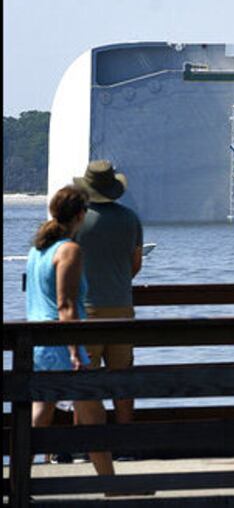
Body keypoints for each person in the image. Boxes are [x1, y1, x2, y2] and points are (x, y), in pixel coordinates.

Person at [27, 186, 115, 477]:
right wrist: (76, 351)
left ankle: (18, 481)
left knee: (43, 413)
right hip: (62, 345)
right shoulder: (69, 250)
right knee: (93, 417)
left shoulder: (37, 250)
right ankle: (114, 487)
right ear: (80, 215)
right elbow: (66, 305)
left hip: (39, 343)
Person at [73, 160, 144, 426]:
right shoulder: (130, 218)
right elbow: (135, 264)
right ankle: (124, 442)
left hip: (85, 309)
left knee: (84, 380)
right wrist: (118, 282)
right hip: (121, 308)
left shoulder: (77, 220)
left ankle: (84, 444)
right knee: (122, 378)